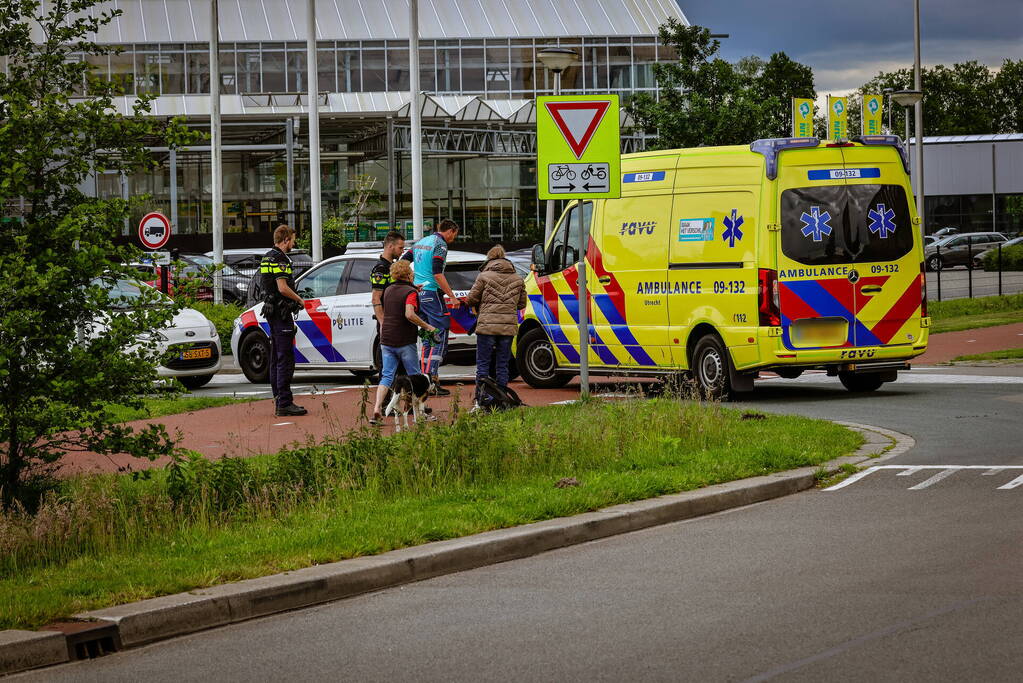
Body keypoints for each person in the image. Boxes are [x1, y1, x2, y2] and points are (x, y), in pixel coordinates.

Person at [401, 219, 466, 396]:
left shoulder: (421, 242)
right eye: (456, 234)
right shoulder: (440, 244)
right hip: (431, 293)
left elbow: (402, 263)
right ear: (451, 230)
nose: (454, 237)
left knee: (427, 337)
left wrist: (412, 282)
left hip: (418, 293)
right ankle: (432, 380)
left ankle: (424, 377)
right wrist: (452, 296)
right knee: (439, 333)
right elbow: (438, 273)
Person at [371, 259, 439, 424]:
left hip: (386, 339)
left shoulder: (388, 290)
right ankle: (419, 415)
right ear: (409, 275)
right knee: (415, 377)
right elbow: (409, 314)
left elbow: (397, 296)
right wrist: (428, 327)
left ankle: (376, 409)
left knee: (387, 376)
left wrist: (413, 289)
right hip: (404, 340)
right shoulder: (410, 293)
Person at [465, 245, 526, 406]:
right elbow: (522, 303)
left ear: (489, 259)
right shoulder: (518, 278)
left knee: (483, 364)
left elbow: (471, 299)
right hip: (507, 327)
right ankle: (502, 398)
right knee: (502, 364)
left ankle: (482, 399)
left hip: (486, 326)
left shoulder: (484, 276)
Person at [260, 225, 307, 417]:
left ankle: (278, 398)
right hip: (281, 312)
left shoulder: (266, 256)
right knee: (285, 359)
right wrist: (298, 299)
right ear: (286, 239)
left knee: (275, 358)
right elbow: (282, 287)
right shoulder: (280, 259)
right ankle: (284, 403)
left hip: (271, 311)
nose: (293, 244)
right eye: (293, 240)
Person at [370, 230, 407, 332]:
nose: (403, 251)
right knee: (384, 348)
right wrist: (383, 323)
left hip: (396, 318)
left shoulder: (392, 266)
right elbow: (375, 298)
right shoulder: (381, 269)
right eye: (400, 248)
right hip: (388, 322)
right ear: (390, 246)